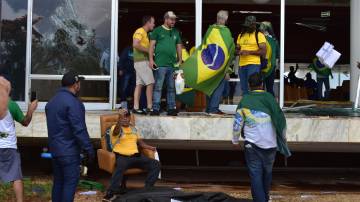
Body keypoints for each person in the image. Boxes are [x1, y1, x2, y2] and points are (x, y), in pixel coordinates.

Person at [232, 72, 290, 202]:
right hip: (270, 145)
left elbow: (237, 123)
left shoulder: (245, 100)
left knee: (255, 176)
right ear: (262, 85)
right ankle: (264, 198)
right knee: (266, 174)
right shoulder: (270, 98)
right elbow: (281, 119)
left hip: (252, 145)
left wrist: (235, 140)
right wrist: (283, 138)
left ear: (249, 85)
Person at [45, 71, 95, 202]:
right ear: (75, 85)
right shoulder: (73, 103)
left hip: (55, 151)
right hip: (69, 152)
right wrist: (89, 149)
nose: (80, 86)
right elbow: (79, 129)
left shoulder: (51, 102)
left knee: (59, 183)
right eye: (79, 83)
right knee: (69, 185)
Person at [103, 110, 160, 201]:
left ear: (130, 118)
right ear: (120, 118)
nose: (125, 119)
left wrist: (149, 147)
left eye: (127, 116)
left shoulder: (133, 129)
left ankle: (147, 190)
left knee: (155, 164)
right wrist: (119, 121)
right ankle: (110, 193)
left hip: (136, 156)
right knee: (120, 167)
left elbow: (140, 142)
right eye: (123, 117)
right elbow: (116, 132)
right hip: (123, 157)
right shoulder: (115, 128)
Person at [0, 78, 38, 202]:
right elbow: (25, 122)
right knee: (16, 176)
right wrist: (31, 109)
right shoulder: (11, 104)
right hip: (9, 146)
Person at [149, 11, 182, 116]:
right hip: (160, 64)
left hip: (172, 65)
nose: (174, 21)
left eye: (175, 19)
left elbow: (179, 46)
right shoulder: (157, 30)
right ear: (166, 19)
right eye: (172, 19)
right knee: (158, 86)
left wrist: (180, 59)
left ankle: (171, 108)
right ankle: (155, 108)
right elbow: (151, 46)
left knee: (171, 87)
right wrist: (151, 60)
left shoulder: (176, 32)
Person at [206, 10, 232, 115]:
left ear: (217, 18)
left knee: (210, 86)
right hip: (220, 64)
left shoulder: (210, 30)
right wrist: (227, 69)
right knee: (219, 86)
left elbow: (205, 46)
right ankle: (213, 108)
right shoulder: (225, 31)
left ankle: (208, 108)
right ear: (225, 19)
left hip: (208, 64)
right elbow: (227, 51)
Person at [237, 16, 267, 95]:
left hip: (253, 64)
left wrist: (249, 52)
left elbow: (263, 51)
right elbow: (237, 49)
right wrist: (238, 51)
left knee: (254, 87)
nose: (248, 27)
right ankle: (246, 106)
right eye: (247, 25)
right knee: (244, 89)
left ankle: (254, 106)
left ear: (254, 25)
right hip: (241, 65)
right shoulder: (241, 35)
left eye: (250, 25)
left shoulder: (259, 35)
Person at [132, 16, 156, 115]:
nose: (154, 24)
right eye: (153, 22)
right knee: (150, 83)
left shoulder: (145, 33)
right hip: (142, 62)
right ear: (148, 23)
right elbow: (135, 44)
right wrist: (149, 50)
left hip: (139, 62)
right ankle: (149, 107)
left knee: (139, 84)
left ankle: (136, 107)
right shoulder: (140, 31)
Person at [259, 21, 279, 96]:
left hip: (260, 67)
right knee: (270, 89)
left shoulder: (259, 39)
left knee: (259, 89)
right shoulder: (274, 41)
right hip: (271, 67)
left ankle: (260, 106)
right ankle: (271, 106)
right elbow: (277, 56)